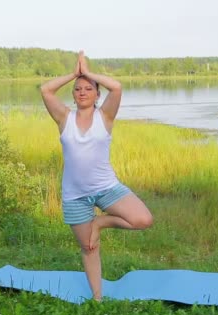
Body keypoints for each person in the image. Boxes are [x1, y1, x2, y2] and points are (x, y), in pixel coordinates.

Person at [40, 51, 153, 301]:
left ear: (97, 95)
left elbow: (117, 87)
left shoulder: (105, 117)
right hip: (75, 195)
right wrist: (73, 74)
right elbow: (46, 90)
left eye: (88, 88)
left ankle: (100, 222)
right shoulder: (63, 118)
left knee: (143, 219)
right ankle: (98, 299)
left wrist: (88, 72)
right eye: (77, 88)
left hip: (106, 188)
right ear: (73, 94)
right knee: (89, 248)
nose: (82, 91)